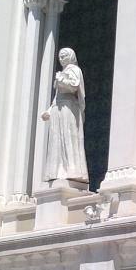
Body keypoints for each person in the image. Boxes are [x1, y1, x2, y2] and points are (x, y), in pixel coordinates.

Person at [41, 48, 88, 183]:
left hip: (69, 107)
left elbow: (74, 85)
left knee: (68, 136)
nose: (62, 58)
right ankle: (57, 170)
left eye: (65, 56)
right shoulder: (63, 72)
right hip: (58, 108)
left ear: (71, 56)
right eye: (60, 56)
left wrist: (60, 79)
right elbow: (57, 97)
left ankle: (72, 170)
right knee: (57, 138)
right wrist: (49, 111)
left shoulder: (74, 70)